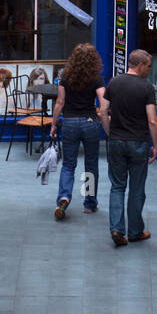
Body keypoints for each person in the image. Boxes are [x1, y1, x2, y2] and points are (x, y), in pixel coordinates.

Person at [99, 49, 157, 247]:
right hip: (138, 143)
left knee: (117, 186)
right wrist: (156, 146)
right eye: (149, 66)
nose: (150, 70)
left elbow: (103, 112)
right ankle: (135, 231)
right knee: (136, 188)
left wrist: (110, 134)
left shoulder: (114, 82)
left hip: (116, 141)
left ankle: (117, 229)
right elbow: (152, 120)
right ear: (140, 65)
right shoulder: (146, 88)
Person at [48, 43, 106, 219]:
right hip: (90, 122)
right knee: (91, 164)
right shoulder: (96, 78)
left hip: (70, 123)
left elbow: (60, 102)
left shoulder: (65, 76)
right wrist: (105, 122)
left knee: (68, 164)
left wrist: (53, 124)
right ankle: (89, 203)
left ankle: (64, 197)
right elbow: (103, 103)